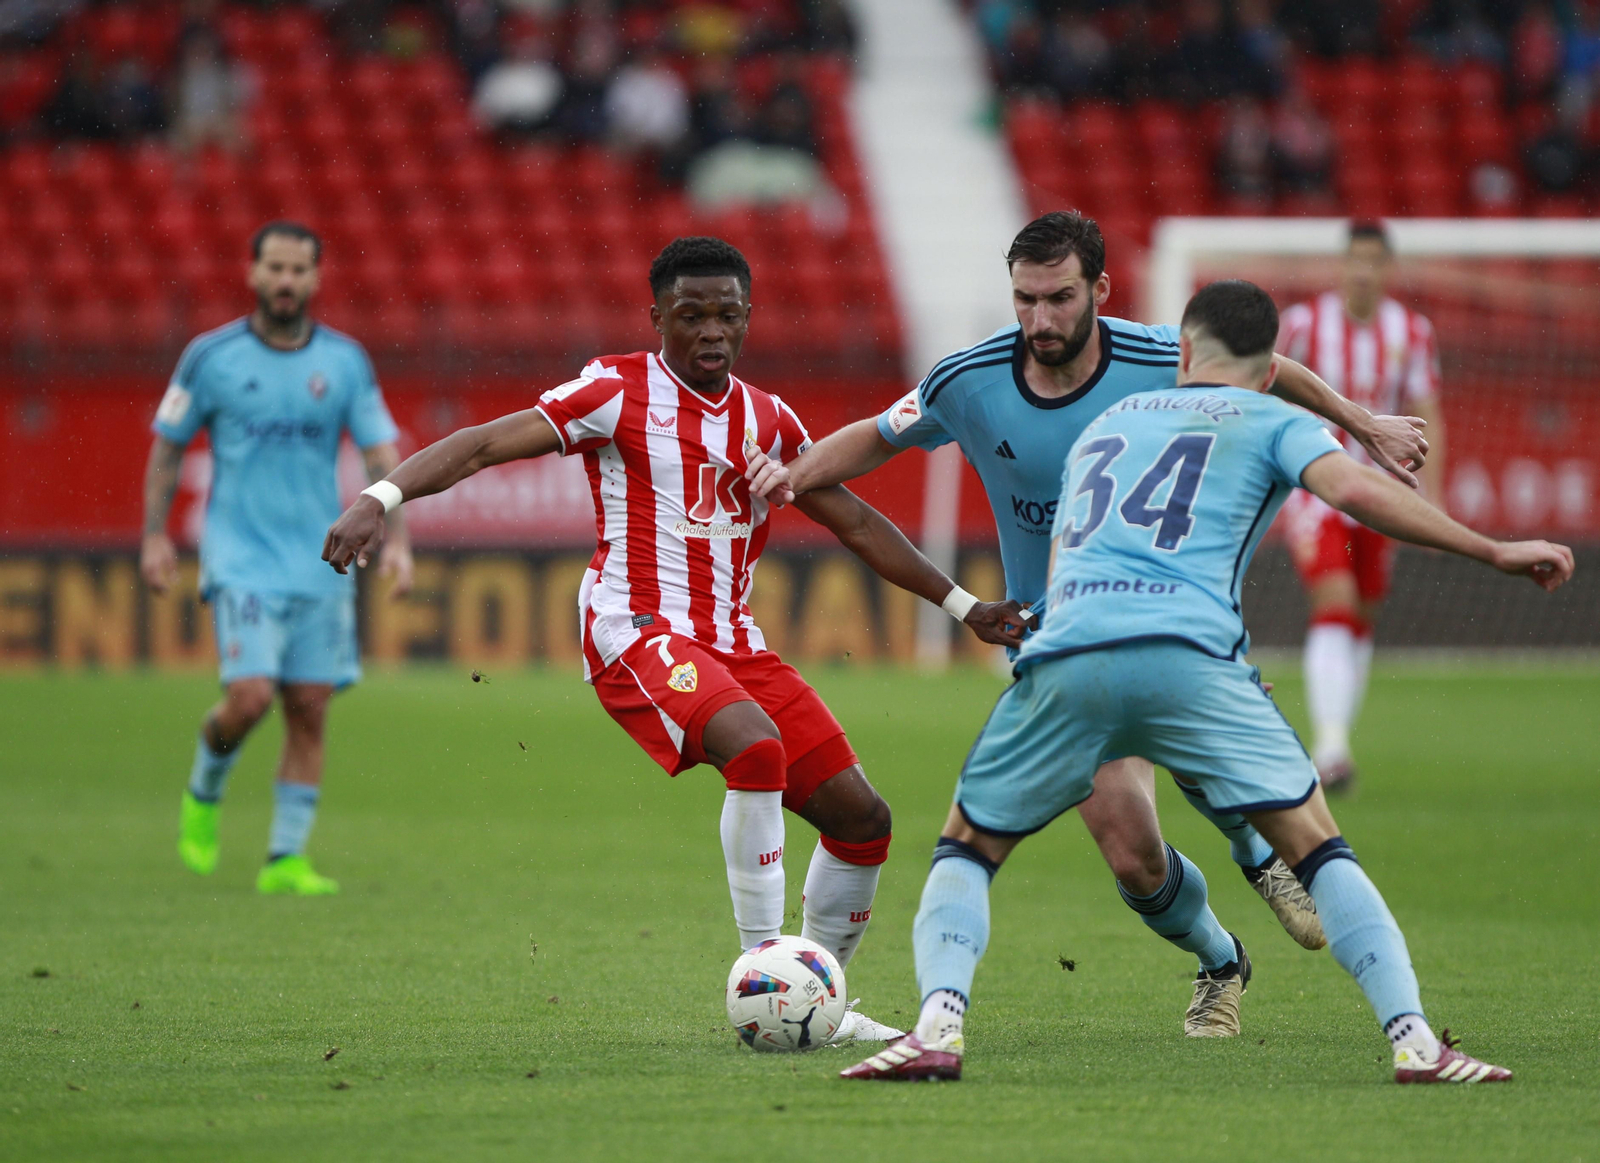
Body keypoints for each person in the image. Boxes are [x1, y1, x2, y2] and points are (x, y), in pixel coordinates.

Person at [842, 279, 1570, 1083]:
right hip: (1192, 658)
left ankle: (937, 1027)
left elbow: (1069, 554)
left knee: (968, 846)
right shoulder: (1273, 418)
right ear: (1267, 372)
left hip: (1069, 653)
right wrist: (1491, 551)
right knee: (1321, 848)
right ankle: (1415, 1042)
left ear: (1183, 354)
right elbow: (1358, 491)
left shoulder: (1106, 425)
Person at [321, 237, 1027, 1043]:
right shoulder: (615, 391)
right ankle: (766, 973)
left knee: (863, 818)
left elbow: (856, 521)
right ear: (657, 317)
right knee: (756, 752)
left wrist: (965, 604)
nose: (711, 331)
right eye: (691, 315)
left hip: (734, 642)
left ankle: (813, 1004)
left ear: (749, 316)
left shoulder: (771, 420)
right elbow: (483, 442)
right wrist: (381, 494)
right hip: (634, 628)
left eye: (727, 314)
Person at [747, 211, 1433, 1032]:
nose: (1040, 320)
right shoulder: (969, 379)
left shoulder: (1156, 356)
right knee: (1131, 851)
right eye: (1025, 300)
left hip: (1167, 612)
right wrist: (791, 473)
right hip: (1059, 644)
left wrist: (1364, 423)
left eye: (1060, 298)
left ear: (1100, 291)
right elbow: (877, 436)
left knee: (1199, 758)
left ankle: (1264, 859)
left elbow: (1270, 368)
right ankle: (1222, 960)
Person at [142, 221, 414, 896]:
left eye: (299, 269)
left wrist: (400, 540)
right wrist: (154, 535)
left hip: (321, 559)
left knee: (310, 706)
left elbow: (383, 457)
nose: (286, 280)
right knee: (250, 696)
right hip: (241, 556)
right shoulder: (211, 356)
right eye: (276, 268)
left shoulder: (346, 362)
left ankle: (284, 860)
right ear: (254, 272)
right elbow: (169, 444)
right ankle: (204, 792)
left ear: (316, 278)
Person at [1277, 222, 1445, 791]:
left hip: (1380, 491)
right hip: (1315, 486)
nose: (1364, 271)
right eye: (1355, 259)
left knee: (1363, 615)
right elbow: (1266, 384)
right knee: (1336, 599)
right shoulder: (1303, 324)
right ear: (1342, 265)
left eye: (1374, 261)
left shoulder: (1412, 332)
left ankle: (1335, 740)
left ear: (1387, 269)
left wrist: (1432, 495)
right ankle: (1330, 747)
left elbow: (1427, 413)